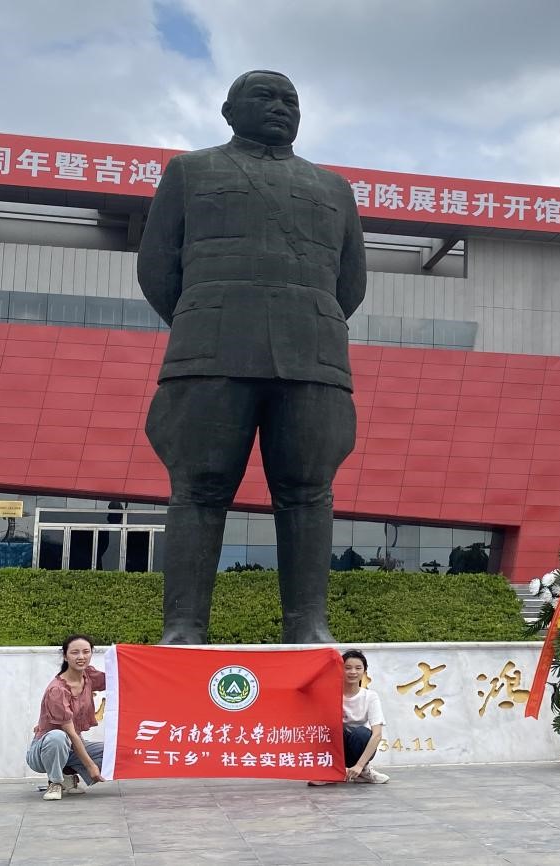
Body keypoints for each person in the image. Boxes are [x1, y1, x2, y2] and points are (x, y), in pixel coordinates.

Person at [137, 69, 366, 645]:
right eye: (264, 96)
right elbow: (157, 267)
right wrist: (212, 315)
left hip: (312, 358)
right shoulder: (190, 171)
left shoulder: (334, 188)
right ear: (228, 110)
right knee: (198, 488)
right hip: (210, 353)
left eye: (291, 99)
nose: (280, 106)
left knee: (308, 490)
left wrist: (300, 317)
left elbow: (350, 284)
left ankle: (308, 625)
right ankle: (184, 627)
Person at [26, 634, 107, 800]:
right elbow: (70, 732)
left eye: (86, 652)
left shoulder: (89, 676)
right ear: (65, 656)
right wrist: (90, 766)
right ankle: (55, 782)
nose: (81, 657)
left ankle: (67, 775)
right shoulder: (57, 690)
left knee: (112, 752)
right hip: (44, 750)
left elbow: (118, 679)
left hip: (71, 746)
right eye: (75, 652)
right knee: (58, 736)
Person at [309, 649, 389, 785]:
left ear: (364, 672)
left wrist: (359, 765)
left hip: (358, 748)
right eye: (347, 668)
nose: (353, 672)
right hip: (334, 748)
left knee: (362, 733)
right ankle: (329, 772)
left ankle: (362, 771)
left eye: (358, 668)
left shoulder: (370, 697)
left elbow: (377, 735)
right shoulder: (329, 694)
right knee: (329, 729)